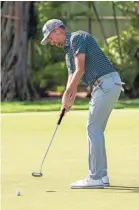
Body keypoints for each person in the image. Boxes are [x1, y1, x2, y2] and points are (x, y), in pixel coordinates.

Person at [41, 19, 124, 189]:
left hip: (106, 84)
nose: (51, 42)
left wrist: (67, 93)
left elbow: (81, 69)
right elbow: (72, 76)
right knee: (95, 129)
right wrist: (67, 101)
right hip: (104, 86)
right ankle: (101, 176)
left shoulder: (77, 38)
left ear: (58, 30)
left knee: (93, 128)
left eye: (50, 37)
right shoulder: (68, 52)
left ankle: (95, 176)